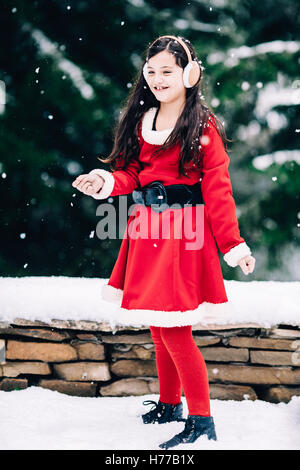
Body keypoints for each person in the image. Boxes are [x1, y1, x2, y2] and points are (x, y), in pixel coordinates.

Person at [72, 35, 255, 449]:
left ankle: (202, 419)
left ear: (189, 74)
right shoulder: (142, 121)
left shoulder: (202, 125)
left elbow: (219, 190)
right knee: (159, 327)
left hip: (183, 236)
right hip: (146, 231)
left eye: (167, 71)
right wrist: (104, 181)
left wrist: (234, 245)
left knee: (175, 331)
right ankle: (171, 405)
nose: (156, 78)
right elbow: (131, 174)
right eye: (150, 71)